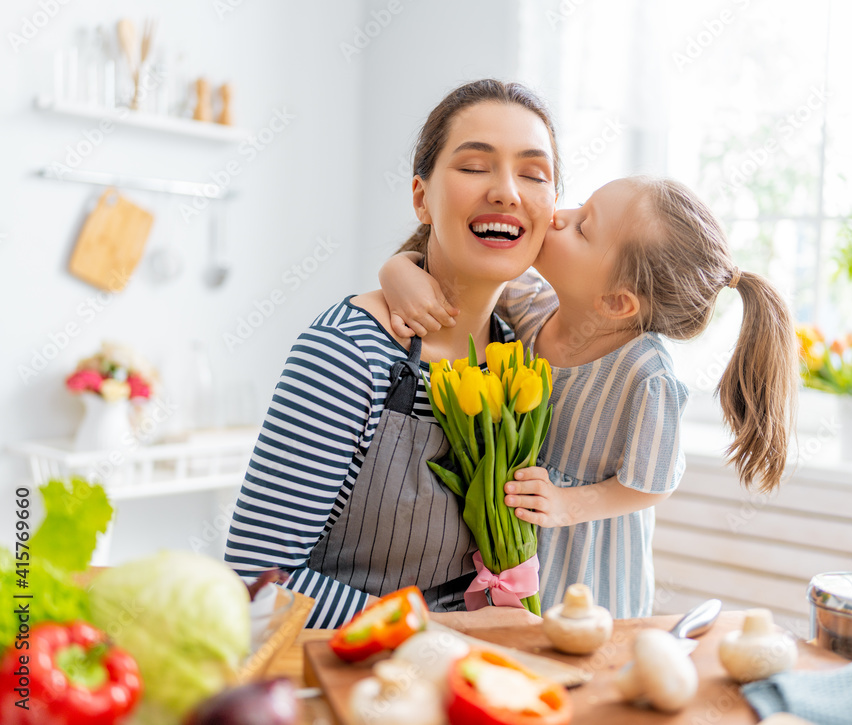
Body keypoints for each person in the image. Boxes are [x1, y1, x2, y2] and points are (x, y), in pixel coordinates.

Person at [380, 176, 798, 618]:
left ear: (617, 303)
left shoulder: (647, 375)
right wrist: (398, 270)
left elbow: (649, 485)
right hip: (513, 549)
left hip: (592, 574)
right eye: (579, 207)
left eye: (582, 228)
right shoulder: (533, 306)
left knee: (580, 659)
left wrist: (566, 505)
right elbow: (454, 272)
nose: (559, 217)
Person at [224, 79, 560, 627]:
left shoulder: (518, 351)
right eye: (475, 166)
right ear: (421, 198)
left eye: (534, 174)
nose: (507, 191)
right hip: (347, 678)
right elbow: (258, 578)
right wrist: (443, 632)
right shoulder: (347, 353)